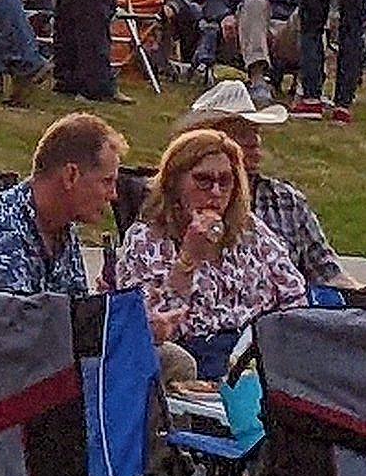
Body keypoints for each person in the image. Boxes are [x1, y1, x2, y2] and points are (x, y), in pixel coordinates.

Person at [111, 122, 305, 368]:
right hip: (193, 355)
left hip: (254, 352)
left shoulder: (249, 231)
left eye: (225, 182)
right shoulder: (147, 240)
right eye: (203, 180)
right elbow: (151, 328)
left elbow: (294, 296)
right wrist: (187, 260)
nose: (215, 192)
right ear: (175, 184)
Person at [0, 111, 124, 298]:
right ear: (71, 176)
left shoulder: (60, 225)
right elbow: (20, 318)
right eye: (106, 181)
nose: (113, 194)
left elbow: (71, 308)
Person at [179, 87, 343, 287]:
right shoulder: (176, 204)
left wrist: (365, 296)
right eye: (241, 133)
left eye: (255, 131)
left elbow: (327, 272)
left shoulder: (287, 201)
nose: (254, 141)